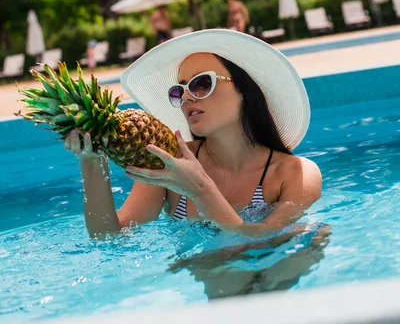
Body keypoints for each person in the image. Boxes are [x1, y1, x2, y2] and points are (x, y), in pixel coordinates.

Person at [64, 29, 322, 239]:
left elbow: (257, 239)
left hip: (269, 286)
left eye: (201, 83)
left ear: (245, 89)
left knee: (316, 235)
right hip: (200, 296)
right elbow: (109, 237)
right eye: (179, 90)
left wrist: (200, 189)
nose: (186, 96)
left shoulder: (293, 174)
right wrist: (91, 161)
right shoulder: (170, 163)